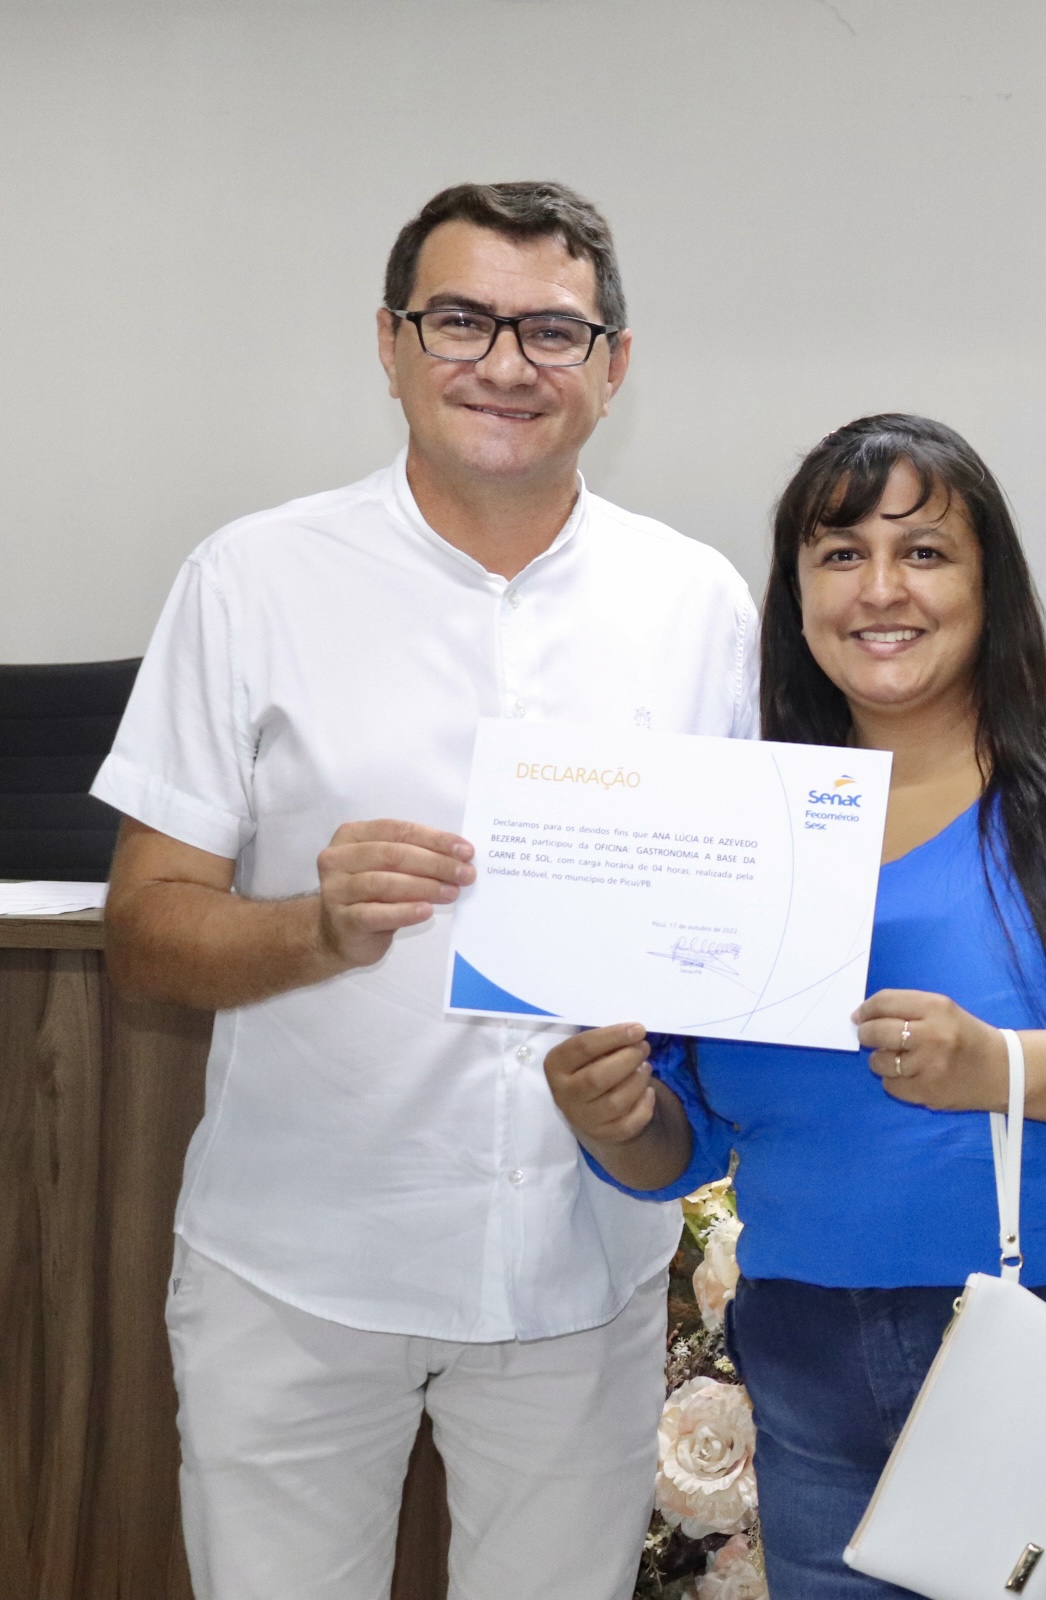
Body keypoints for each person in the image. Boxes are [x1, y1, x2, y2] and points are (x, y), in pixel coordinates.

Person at [93, 181, 758, 1600]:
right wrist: (313, 927)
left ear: (614, 367)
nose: (506, 363)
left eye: (553, 331)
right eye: (461, 320)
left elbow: (735, 925)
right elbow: (143, 930)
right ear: (391, 343)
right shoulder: (251, 579)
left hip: (580, 1273)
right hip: (300, 1268)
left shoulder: (696, 601)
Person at [545, 413, 1046, 1599]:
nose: (879, 588)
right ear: (797, 594)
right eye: (840, 554)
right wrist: (616, 1116)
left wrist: (1008, 1065)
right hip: (816, 1372)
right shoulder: (745, 821)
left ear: (988, 583)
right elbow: (679, 1147)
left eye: (923, 551)